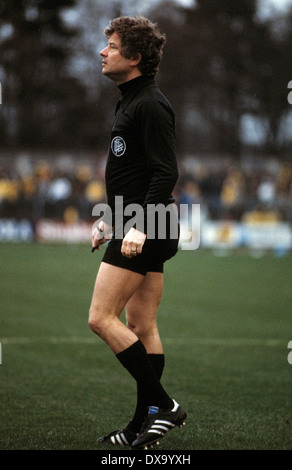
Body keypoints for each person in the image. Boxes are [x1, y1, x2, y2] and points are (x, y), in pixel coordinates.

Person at [88, 15, 187, 450]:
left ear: (135, 57)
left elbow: (166, 172)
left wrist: (139, 227)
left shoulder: (150, 104)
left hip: (147, 226)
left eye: (111, 45)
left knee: (100, 319)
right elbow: (133, 173)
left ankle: (164, 405)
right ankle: (140, 429)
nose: (103, 51)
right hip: (136, 222)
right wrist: (110, 219)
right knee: (141, 325)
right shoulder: (129, 100)